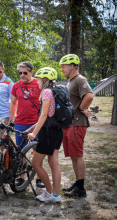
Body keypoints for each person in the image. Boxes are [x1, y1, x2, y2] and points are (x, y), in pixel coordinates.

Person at [59, 54, 93, 198]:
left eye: (64, 67)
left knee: (78, 155)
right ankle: (78, 183)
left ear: (72, 66)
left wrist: (81, 108)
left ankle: (81, 188)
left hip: (77, 123)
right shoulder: (71, 81)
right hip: (69, 123)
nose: (62, 69)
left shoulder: (80, 79)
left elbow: (89, 96)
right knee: (73, 155)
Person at [27, 67, 63, 203]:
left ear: (45, 79)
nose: (37, 82)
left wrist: (34, 133)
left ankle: (49, 193)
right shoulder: (56, 90)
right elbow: (48, 116)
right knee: (54, 163)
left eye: (39, 79)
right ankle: (55, 195)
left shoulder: (47, 92)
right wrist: (31, 128)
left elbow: (44, 114)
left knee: (35, 163)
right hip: (57, 131)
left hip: (47, 133)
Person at [9, 61, 44, 188]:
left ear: (31, 72)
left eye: (25, 73)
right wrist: (12, 118)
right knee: (20, 151)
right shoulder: (16, 85)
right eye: (20, 73)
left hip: (35, 123)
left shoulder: (38, 84)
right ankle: (21, 176)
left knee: (38, 151)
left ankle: (39, 178)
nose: (22, 75)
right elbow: (13, 102)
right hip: (20, 123)